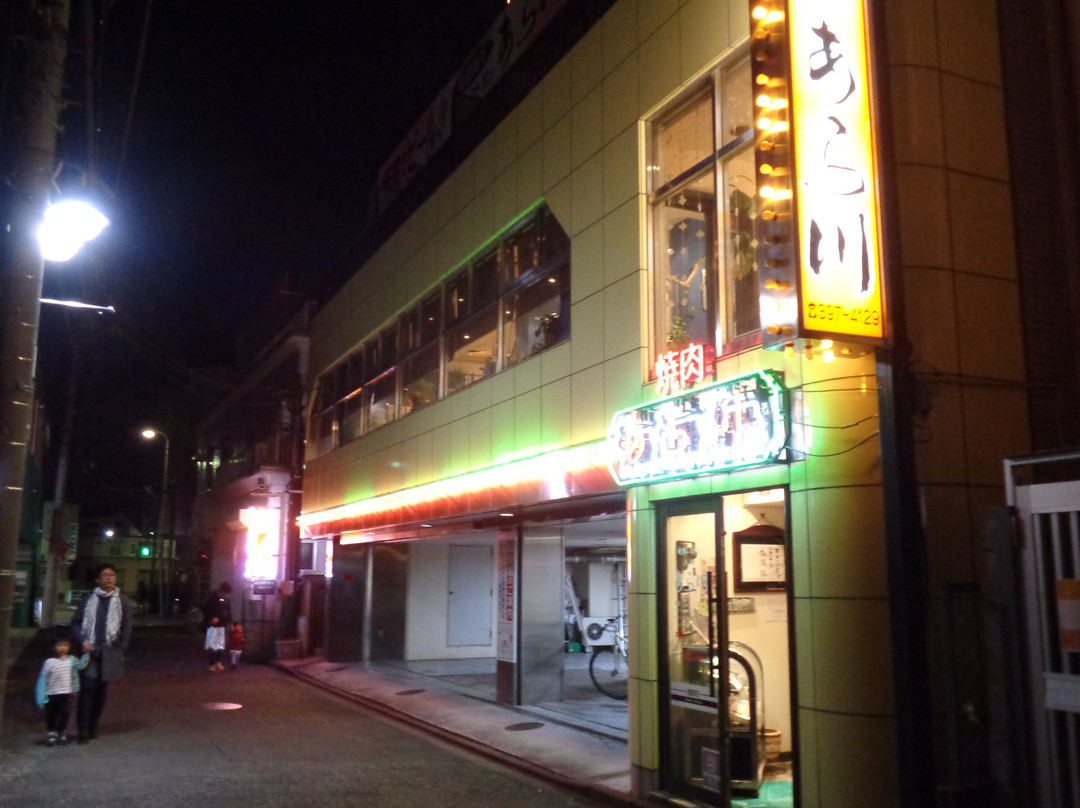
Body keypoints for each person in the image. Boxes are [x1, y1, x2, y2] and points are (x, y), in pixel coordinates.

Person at [71, 563, 134, 743]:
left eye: (112, 575)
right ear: (97, 579)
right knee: (87, 689)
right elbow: (75, 622)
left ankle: (93, 726)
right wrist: (82, 640)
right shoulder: (88, 599)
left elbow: (127, 626)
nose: (109, 578)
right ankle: (83, 729)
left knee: (101, 691)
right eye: (105, 575)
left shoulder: (122, 600)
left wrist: (121, 647)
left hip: (109, 652)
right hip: (89, 651)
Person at [34, 632, 89, 746]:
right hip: (51, 694)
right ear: (53, 647)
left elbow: (81, 665)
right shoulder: (49, 662)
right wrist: (41, 696)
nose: (62, 648)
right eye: (59, 645)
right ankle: (51, 733)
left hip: (66, 693)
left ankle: (61, 733)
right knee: (52, 714)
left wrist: (86, 654)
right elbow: (43, 679)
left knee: (65, 714)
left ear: (69, 647)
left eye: (65, 645)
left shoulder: (71, 660)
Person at [203, 582, 232, 672]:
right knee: (212, 645)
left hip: (222, 623)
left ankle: (217, 661)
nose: (227, 595)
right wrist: (213, 617)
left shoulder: (226, 598)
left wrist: (229, 621)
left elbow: (228, 610)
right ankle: (212, 663)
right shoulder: (213, 597)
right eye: (226, 592)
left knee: (219, 645)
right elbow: (208, 608)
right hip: (213, 623)